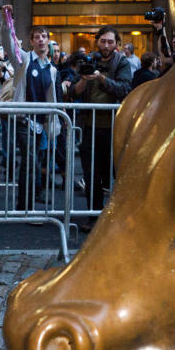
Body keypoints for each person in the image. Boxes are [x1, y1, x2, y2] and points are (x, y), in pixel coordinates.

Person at [68, 25, 135, 228]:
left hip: (114, 126)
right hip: (89, 126)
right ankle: (94, 216)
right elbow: (73, 92)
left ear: (117, 44)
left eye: (110, 42)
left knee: (116, 173)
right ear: (97, 41)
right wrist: (84, 79)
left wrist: (101, 78)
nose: (106, 45)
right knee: (91, 173)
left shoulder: (122, 62)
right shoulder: (89, 60)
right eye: (103, 41)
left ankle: (116, 217)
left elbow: (124, 88)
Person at [0, 6, 63, 211]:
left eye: (44, 36)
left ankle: (27, 202)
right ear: (31, 41)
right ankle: (25, 205)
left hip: (39, 123)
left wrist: (53, 124)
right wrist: (6, 21)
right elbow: (9, 45)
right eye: (37, 37)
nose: (41, 40)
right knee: (31, 161)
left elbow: (52, 97)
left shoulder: (51, 69)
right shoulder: (24, 61)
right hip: (23, 120)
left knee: (33, 162)